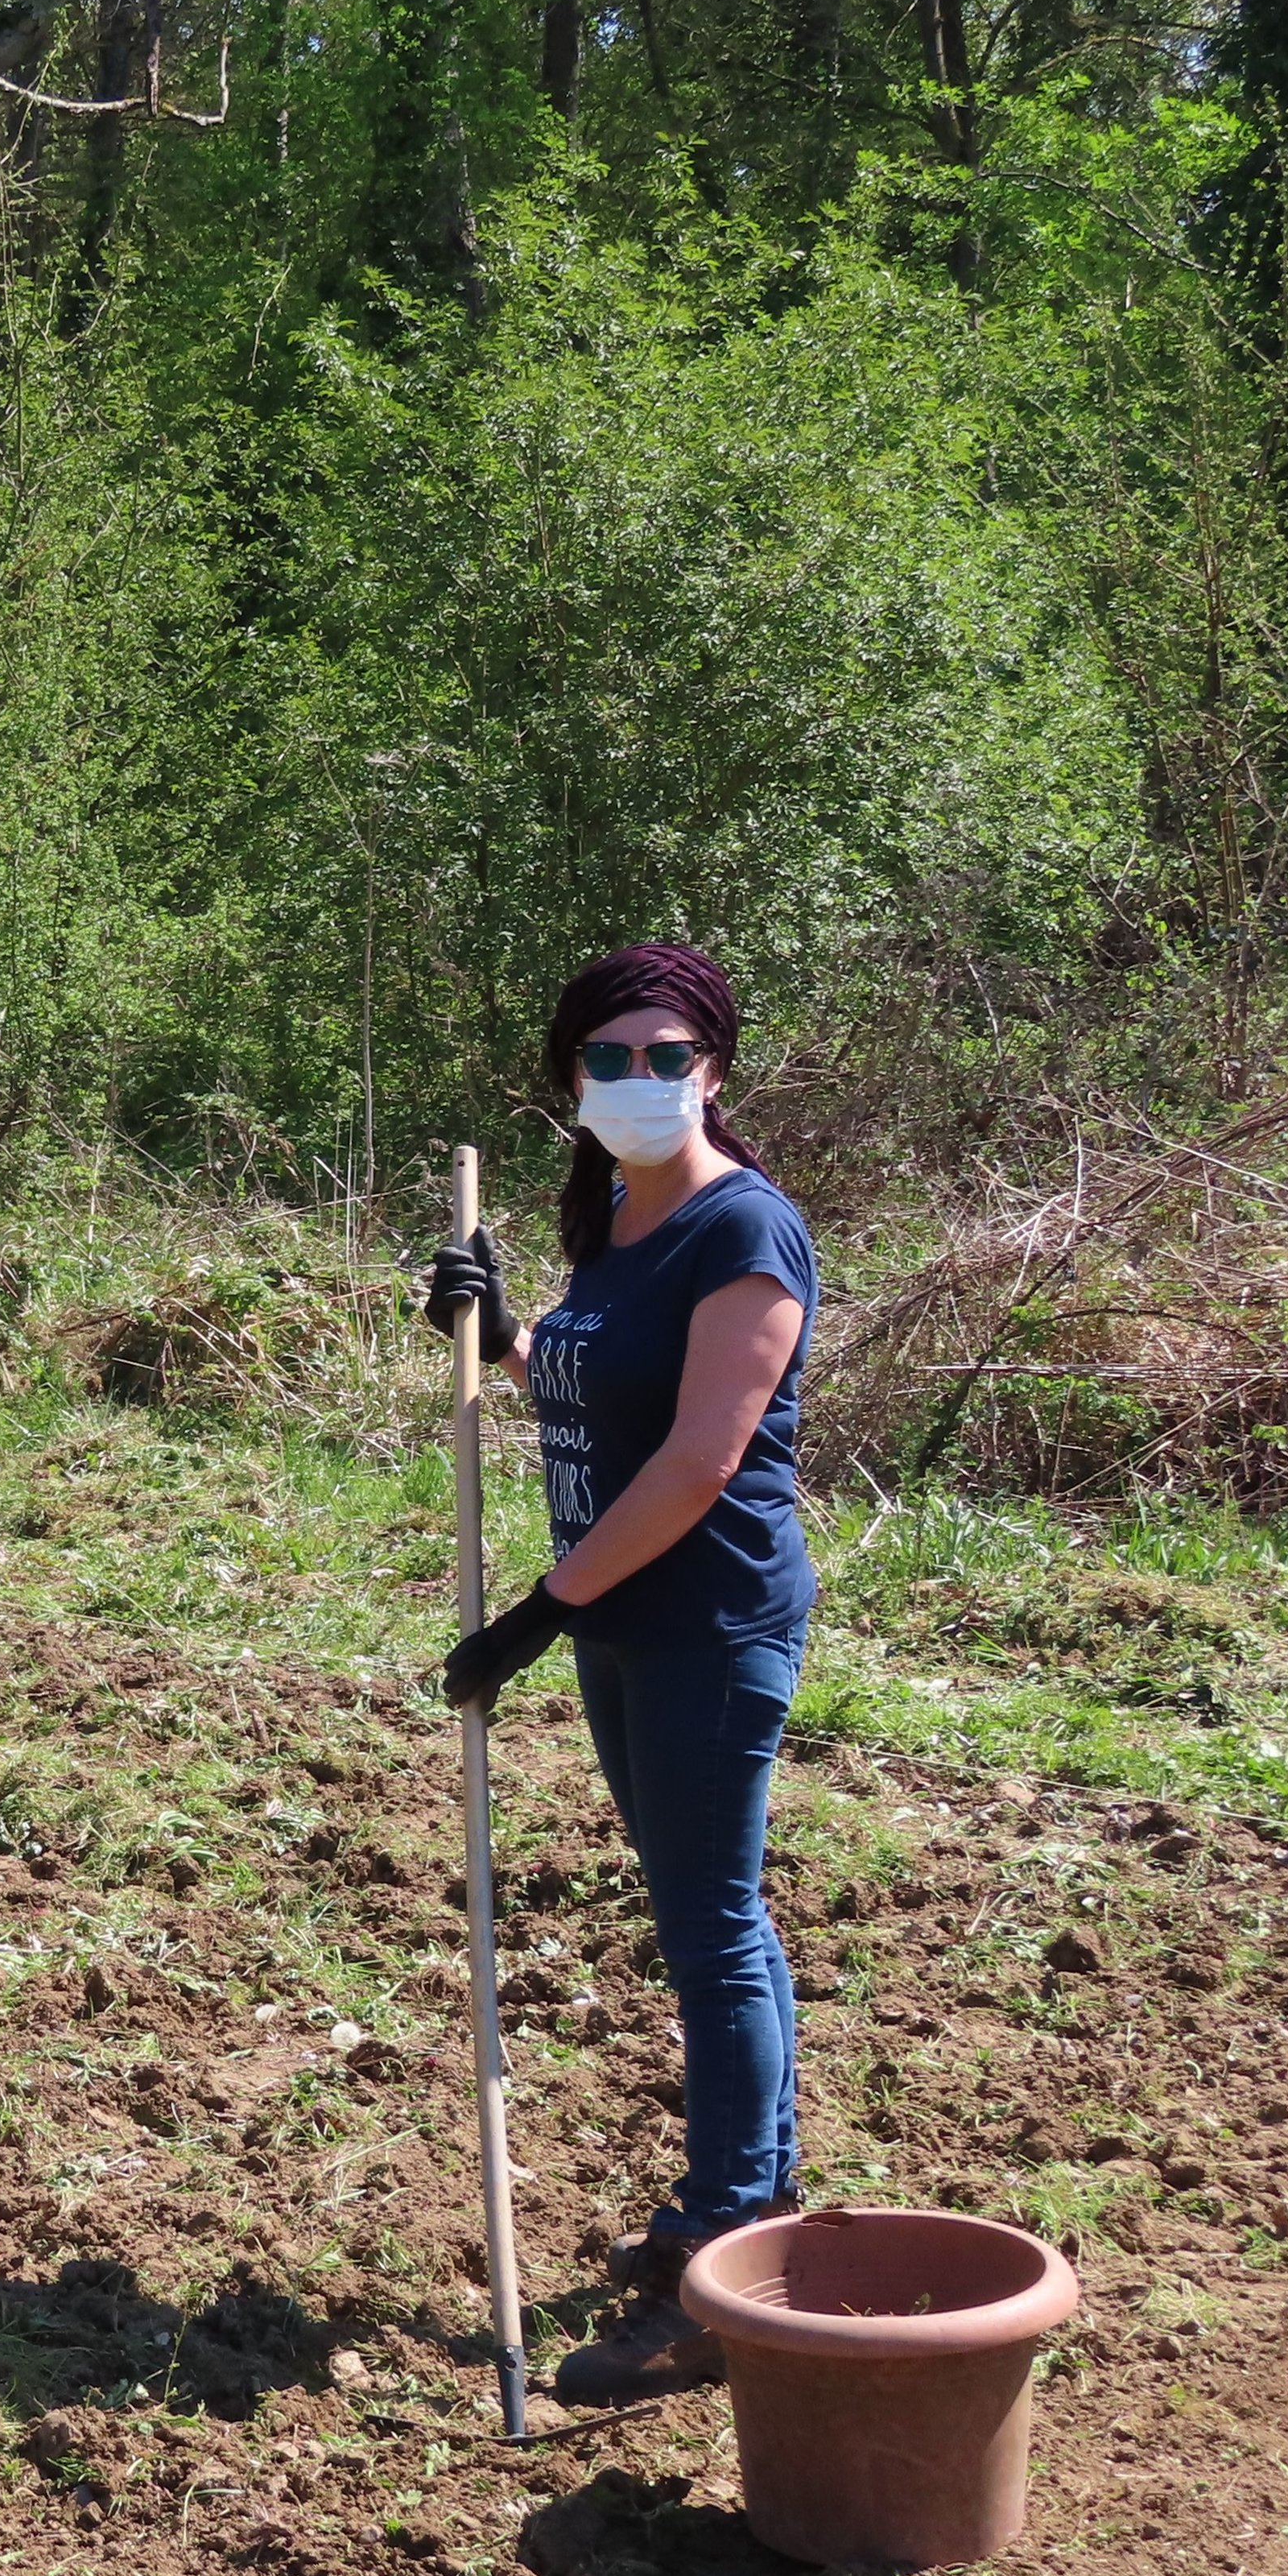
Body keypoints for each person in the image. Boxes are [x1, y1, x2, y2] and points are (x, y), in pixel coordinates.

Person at [421, 941, 818, 2403]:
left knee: (711, 1925)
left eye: (667, 1056)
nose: (638, 1080)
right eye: (609, 1059)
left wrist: (539, 1608)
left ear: (713, 1069)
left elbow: (704, 1457)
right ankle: (749, 2202)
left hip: (707, 1620)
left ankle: (729, 2258)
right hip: (620, 1623)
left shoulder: (743, 1229)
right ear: (572, 1082)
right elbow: (600, 1382)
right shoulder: (622, 1228)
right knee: (706, 1910)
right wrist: (504, 1328)